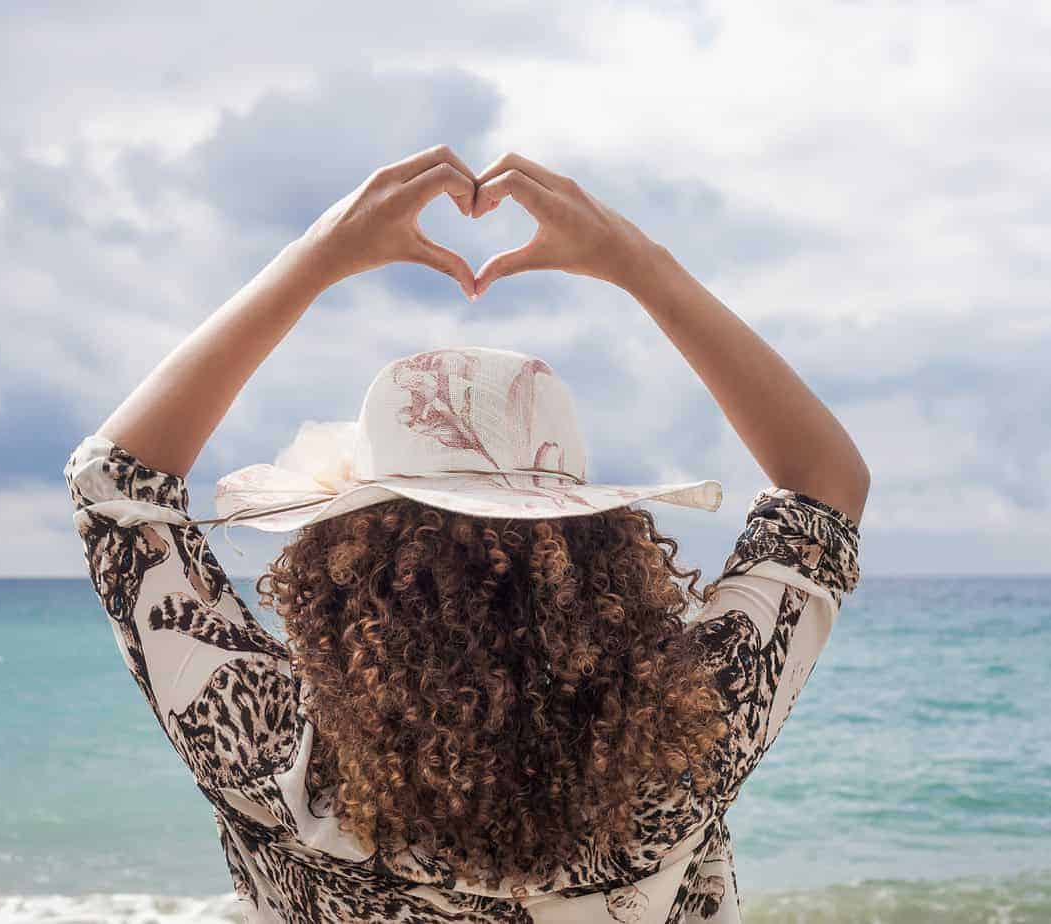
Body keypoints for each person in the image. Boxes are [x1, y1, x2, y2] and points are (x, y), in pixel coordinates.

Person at [62, 145, 869, 922]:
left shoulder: (277, 758)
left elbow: (114, 483)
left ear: (339, 568)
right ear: (601, 553)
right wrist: (636, 262)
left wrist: (319, 256)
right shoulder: (682, 755)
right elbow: (825, 491)